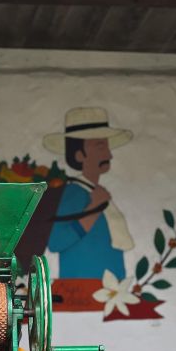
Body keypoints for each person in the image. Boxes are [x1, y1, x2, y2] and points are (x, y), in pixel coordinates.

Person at [43, 107, 134, 280]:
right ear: (79, 155)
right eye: (100, 147)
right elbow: (56, 242)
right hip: (81, 290)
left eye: (107, 147)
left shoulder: (96, 192)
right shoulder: (72, 193)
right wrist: (94, 208)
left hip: (109, 290)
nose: (109, 155)